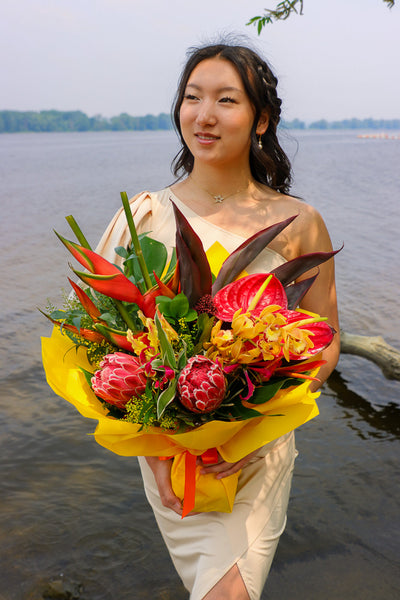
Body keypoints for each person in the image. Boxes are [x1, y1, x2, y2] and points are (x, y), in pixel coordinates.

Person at [96, 41, 340, 600]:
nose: (204, 116)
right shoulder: (143, 216)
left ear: (262, 119)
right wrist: (159, 452)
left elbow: (325, 335)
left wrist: (262, 426)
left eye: (226, 100)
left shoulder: (298, 221)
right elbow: (103, 342)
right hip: (170, 453)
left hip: (258, 446)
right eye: (192, 97)